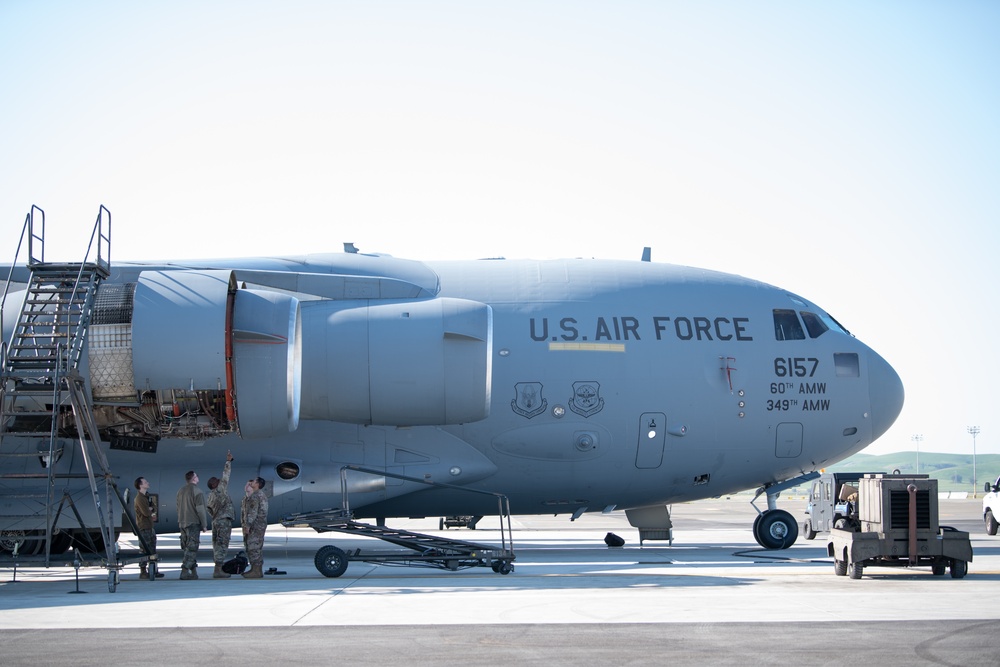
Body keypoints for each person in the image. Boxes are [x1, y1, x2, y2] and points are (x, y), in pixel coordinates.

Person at [206, 450, 235, 578]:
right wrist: (228, 461)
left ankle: (217, 567)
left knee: (216, 544)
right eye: (217, 481)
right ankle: (218, 569)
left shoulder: (210, 496)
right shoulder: (220, 490)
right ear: (214, 485)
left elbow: (209, 510)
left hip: (216, 521)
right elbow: (226, 475)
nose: (220, 481)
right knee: (223, 543)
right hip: (223, 521)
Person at [175, 470, 207, 580]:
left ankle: (193, 571)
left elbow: (178, 506)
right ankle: (184, 571)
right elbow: (201, 510)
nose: (198, 477)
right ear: (193, 478)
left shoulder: (181, 490)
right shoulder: (197, 491)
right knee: (192, 548)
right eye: (196, 476)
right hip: (193, 523)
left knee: (187, 548)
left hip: (182, 522)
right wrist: (204, 524)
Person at [133, 477, 163, 579]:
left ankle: (154, 570)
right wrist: (150, 509)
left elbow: (152, 508)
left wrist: (150, 509)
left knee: (152, 549)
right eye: (145, 482)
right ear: (140, 485)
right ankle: (143, 571)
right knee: (144, 549)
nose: (148, 483)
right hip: (143, 527)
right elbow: (146, 512)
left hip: (149, 526)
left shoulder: (146, 496)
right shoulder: (140, 498)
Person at [240, 476, 268, 579]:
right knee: (257, 547)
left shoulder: (255, 496)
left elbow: (252, 513)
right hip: (260, 525)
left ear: (258, 484)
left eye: (254, 481)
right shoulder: (261, 495)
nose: (252, 482)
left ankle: (256, 571)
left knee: (253, 547)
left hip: (255, 526)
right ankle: (256, 569)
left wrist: (247, 525)